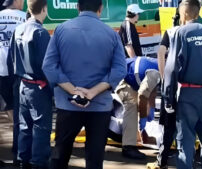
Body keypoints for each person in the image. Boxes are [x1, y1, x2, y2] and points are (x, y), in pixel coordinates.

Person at [42, 0, 127, 168]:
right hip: (99, 105)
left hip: (68, 104)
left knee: (60, 155)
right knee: (95, 157)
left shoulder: (61, 30)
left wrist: (74, 91)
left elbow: (49, 66)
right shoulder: (111, 34)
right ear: (100, 9)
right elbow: (120, 69)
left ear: (77, 7)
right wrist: (93, 92)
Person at [163, 0, 202, 168]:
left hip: (188, 95)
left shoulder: (180, 33)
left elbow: (171, 68)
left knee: (185, 141)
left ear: (182, 13)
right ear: (198, 13)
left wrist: (168, 98)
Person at [7, 0, 50, 168]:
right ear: (44, 9)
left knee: (24, 126)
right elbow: (47, 66)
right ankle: (38, 163)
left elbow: (11, 59)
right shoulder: (41, 33)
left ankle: (22, 160)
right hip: (39, 86)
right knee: (41, 128)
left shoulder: (19, 29)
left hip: (22, 84)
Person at [115, 56, 160, 159]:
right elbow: (142, 95)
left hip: (129, 78)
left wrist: (151, 109)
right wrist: (143, 117)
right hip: (121, 77)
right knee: (132, 104)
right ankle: (128, 147)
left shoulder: (159, 67)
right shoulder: (156, 72)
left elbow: (152, 92)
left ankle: (142, 137)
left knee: (142, 107)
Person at [0, 0, 25, 166]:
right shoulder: (26, 17)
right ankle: (19, 152)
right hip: (18, 72)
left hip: (0, 69)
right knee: (18, 112)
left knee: (10, 109)